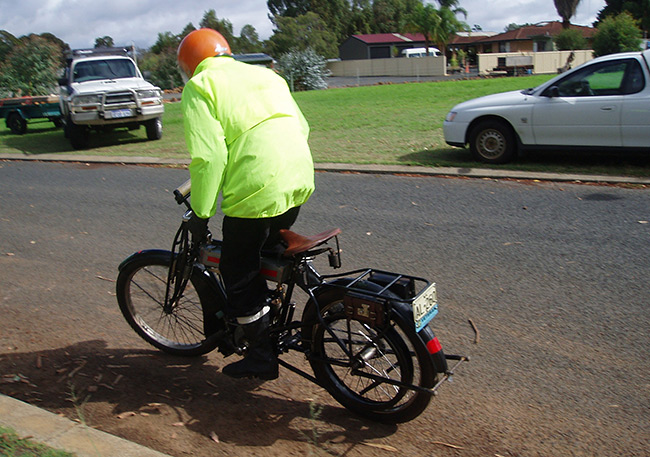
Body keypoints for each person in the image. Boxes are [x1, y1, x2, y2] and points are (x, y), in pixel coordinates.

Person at [177, 28, 315, 380]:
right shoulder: (265, 74)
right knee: (264, 247)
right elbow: (302, 125)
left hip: (259, 187)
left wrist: (201, 212)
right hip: (298, 177)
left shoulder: (200, 86)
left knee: (238, 271)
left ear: (189, 65)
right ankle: (269, 312)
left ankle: (261, 355)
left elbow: (208, 157)